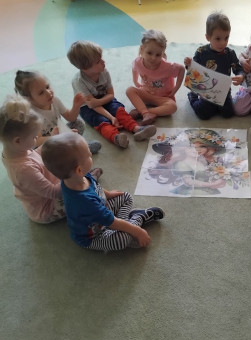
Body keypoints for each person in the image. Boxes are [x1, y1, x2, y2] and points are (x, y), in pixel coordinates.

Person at [41, 132, 165, 252]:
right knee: (122, 240)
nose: (91, 155)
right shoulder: (84, 202)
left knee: (125, 197)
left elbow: (95, 186)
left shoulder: (75, 178)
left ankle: (127, 224)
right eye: (89, 155)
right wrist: (137, 231)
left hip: (103, 212)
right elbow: (112, 222)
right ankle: (138, 218)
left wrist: (108, 194)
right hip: (93, 236)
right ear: (79, 170)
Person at [67, 40, 157, 149]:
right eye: (98, 61)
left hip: (104, 99)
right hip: (88, 108)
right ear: (85, 68)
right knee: (101, 121)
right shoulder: (78, 81)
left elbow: (110, 95)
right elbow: (92, 105)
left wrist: (101, 103)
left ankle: (137, 129)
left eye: (101, 58)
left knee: (118, 109)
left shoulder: (104, 72)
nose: (103, 61)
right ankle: (116, 138)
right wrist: (111, 117)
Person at [0, 95, 66, 223]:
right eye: (35, 136)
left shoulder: (14, 150)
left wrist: (53, 139)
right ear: (18, 141)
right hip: (47, 208)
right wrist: (73, 177)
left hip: (40, 189)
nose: (37, 138)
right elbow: (53, 192)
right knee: (81, 193)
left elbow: (35, 154)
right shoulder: (24, 170)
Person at [14, 70, 102, 154]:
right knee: (45, 154)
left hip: (59, 136)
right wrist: (56, 137)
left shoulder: (54, 100)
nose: (48, 93)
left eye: (47, 87)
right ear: (29, 99)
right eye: (41, 93)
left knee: (78, 123)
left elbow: (70, 117)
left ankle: (74, 149)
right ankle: (78, 149)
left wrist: (76, 106)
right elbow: (37, 141)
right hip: (45, 145)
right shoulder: (31, 115)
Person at [184, 12, 245, 120]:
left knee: (228, 113)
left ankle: (216, 107)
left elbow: (238, 68)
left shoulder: (230, 53)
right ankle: (192, 97)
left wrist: (241, 76)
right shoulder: (201, 52)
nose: (223, 43)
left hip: (224, 92)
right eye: (218, 39)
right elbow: (193, 70)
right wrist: (189, 64)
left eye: (226, 38)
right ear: (208, 37)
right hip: (206, 91)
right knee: (204, 114)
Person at [126, 29, 185, 125]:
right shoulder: (137, 62)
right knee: (129, 90)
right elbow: (134, 67)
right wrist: (135, 81)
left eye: (158, 55)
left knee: (173, 107)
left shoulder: (167, 66)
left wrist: (175, 89)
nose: (153, 58)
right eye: (149, 53)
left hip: (163, 98)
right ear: (142, 49)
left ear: (163, 53)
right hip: (146, 93)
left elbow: (181, 69)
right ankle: (145, 113)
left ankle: (144, 112)